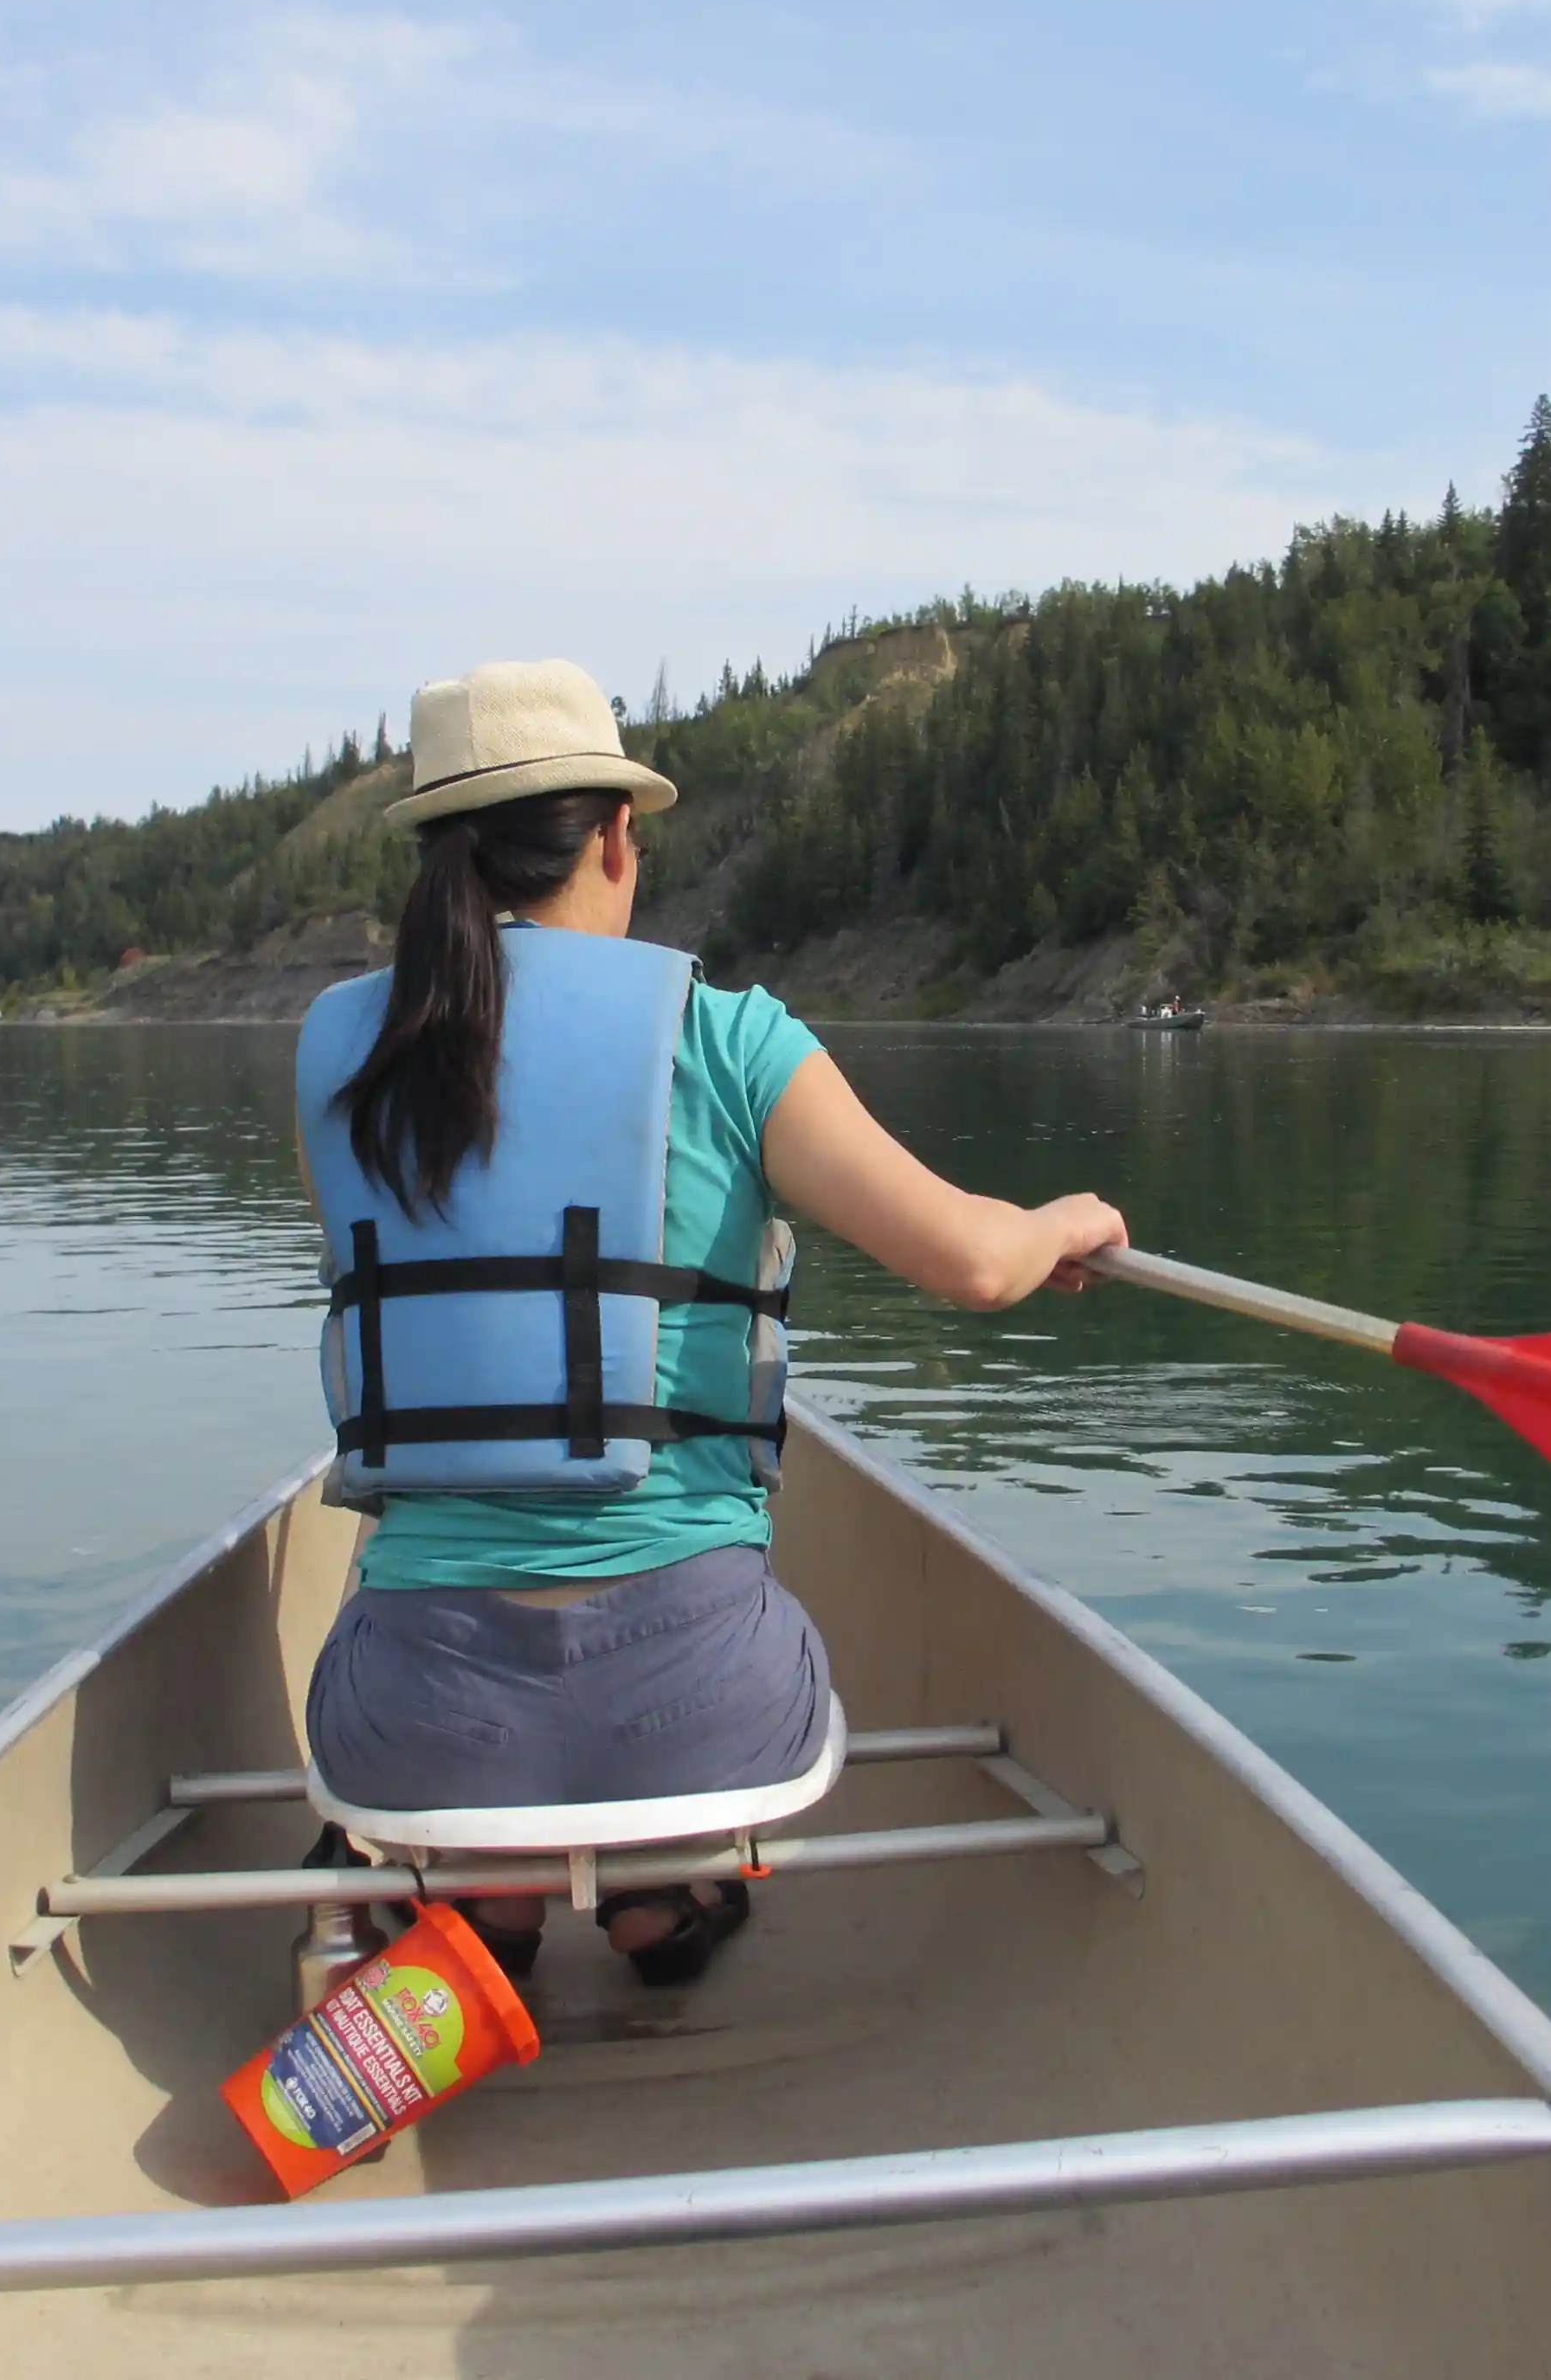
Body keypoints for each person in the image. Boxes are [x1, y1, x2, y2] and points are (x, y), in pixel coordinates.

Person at [295, 658, 1126, 1987]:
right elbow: (977, 1262)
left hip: (419, 1728)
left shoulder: (340, 1053)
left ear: (435, 860)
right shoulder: (730, 1037)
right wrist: (1061, 1224)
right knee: (709, 1610)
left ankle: (482, 1906)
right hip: (703, 1720)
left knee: (382, 1548)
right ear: (619, 837)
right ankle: (659, 1894)